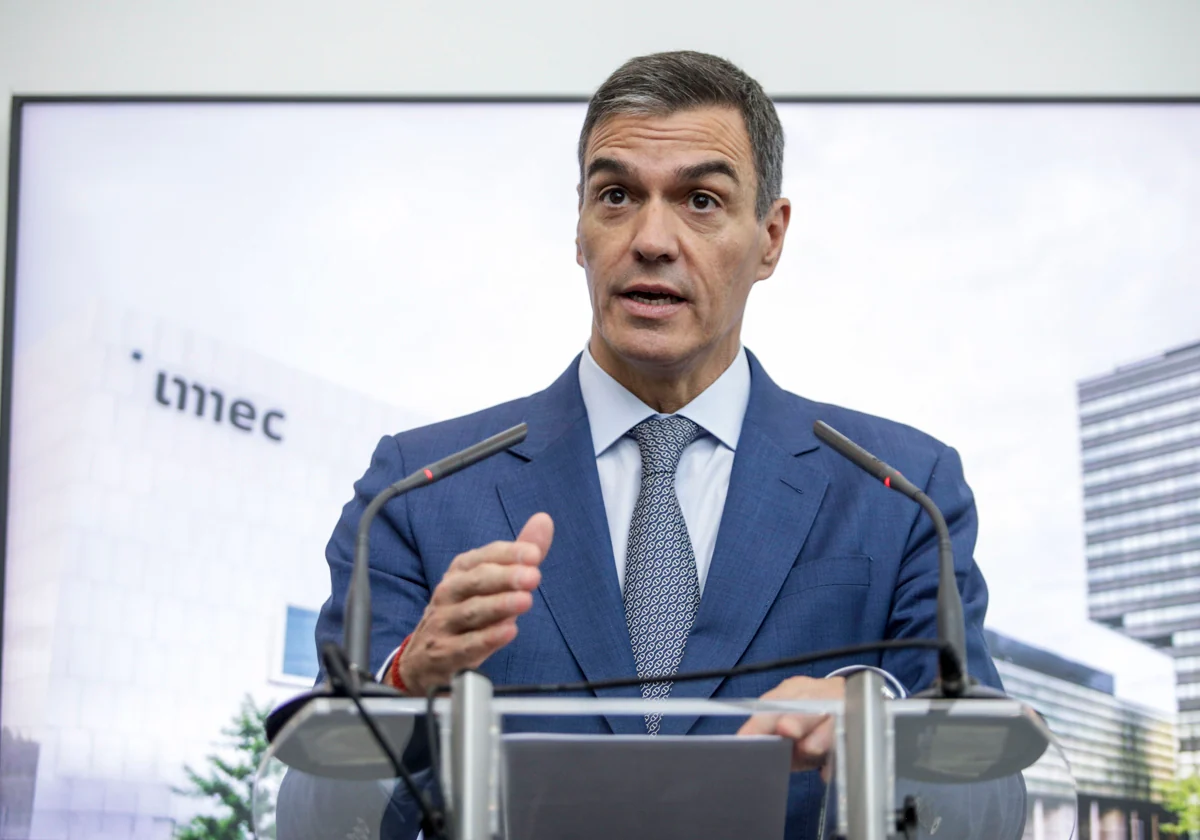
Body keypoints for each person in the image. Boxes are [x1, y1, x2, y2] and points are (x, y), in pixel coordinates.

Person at [313, 50, 1004, 838]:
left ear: (770, 237)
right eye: (616, 196)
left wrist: (875, 720)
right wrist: (404, 682)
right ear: (579, 228)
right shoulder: (417, 490)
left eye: (701, 200)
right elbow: (318, 807)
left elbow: (987, 799)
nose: (651, 239)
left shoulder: (901, 491)